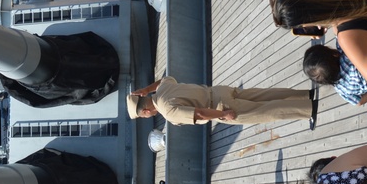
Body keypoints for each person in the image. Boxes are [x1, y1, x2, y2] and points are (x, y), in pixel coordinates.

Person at [127, 77, 317, 128]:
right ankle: (304, 95)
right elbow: (164, 79)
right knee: (264, 95)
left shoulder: (167, 112)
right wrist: (146, 89)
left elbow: (199, 113)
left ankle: (308, 109)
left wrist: (223, 115)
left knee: (267, 111)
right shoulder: (161, 89)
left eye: (143, 116)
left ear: (145, 112)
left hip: (220, 108)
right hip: (218, 90)